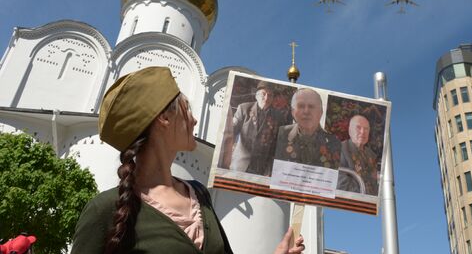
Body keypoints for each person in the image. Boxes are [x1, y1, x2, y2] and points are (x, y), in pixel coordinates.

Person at [71, 67, 305, 254]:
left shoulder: (198, 195)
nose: (194, 120)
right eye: (187, 109)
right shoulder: (105, 209)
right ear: (164, 117)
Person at [226, 81, 286, 176]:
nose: (266, 98)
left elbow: (278, 146)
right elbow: (231, 134)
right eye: (263, 94)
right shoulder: (244, 109)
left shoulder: (278, 117)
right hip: (240, 166)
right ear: (256, 96)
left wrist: (270, 170)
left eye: (270, 95)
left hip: (262, 170)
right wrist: (225, 159)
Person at [274, 88, 340, 169]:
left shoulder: (334, 143)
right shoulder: (280, 134)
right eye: (301, 106)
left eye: (311, 106)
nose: (306, 111)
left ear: (320, 112)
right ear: (292, 112)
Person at [337, 114, 378, 194]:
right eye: (358, 127)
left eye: (366, 129)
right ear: (350, 130)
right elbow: (340, 183)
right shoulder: (340, 149)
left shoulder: (371, 155)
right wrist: (364, 194)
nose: (363, 132)